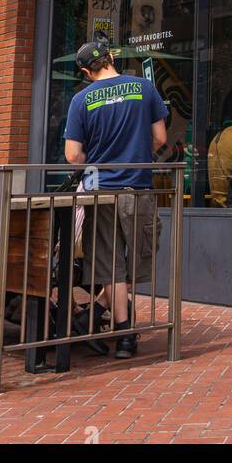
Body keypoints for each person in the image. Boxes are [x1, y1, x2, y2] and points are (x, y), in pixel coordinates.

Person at [64, 42, 168, 359]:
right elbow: (161, 139)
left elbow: (73, 155)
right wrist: (136, 156)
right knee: (137, 257)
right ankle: (110, 323)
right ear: (111, 58)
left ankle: (117, 331)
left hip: (101, 192)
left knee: (110, 266)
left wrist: (95, 160)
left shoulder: (80, 100)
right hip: (138, 188)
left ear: (85, 71)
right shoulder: (144, 88)